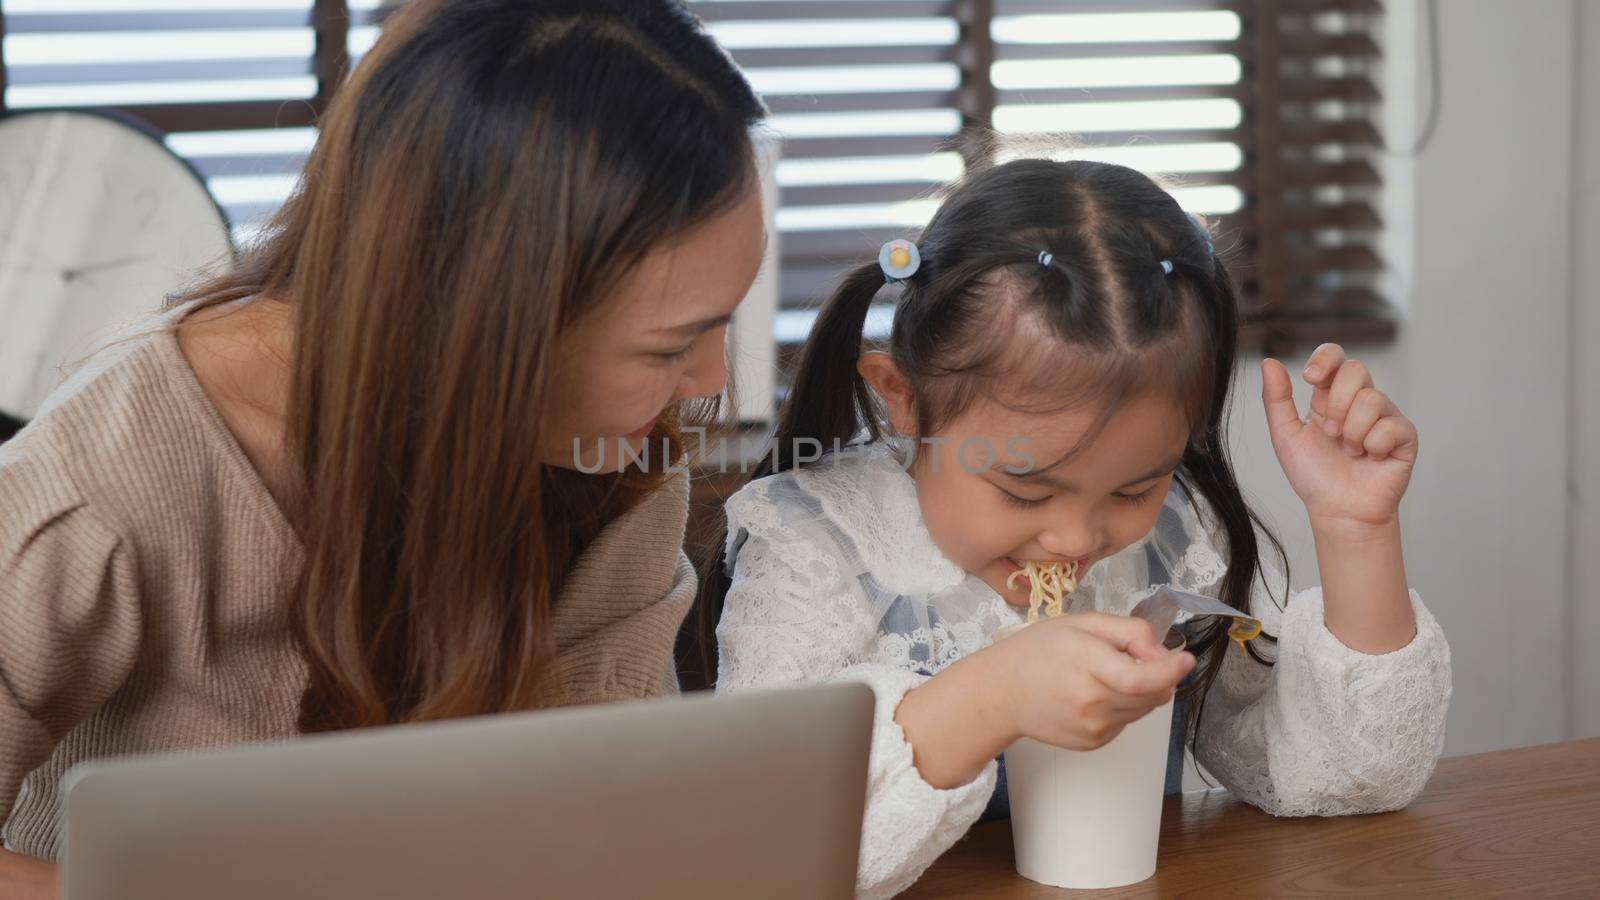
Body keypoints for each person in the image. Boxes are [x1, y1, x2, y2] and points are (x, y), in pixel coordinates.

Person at [0, 1, 766, 895]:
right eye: (667, 346)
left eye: (720, 327)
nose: (708, 380)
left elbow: (596, 820)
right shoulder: (106, 478)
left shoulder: (613, 461)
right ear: (482, 316)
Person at [714, 159, 1452, 899]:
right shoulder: (816, 546)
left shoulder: (1174, 538)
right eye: (1024, 490)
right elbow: (760, 843)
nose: (1077, 540)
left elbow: (1350, 777)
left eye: (1135, 485)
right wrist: (994, 695)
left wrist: (1355, 531)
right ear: (903, 399)